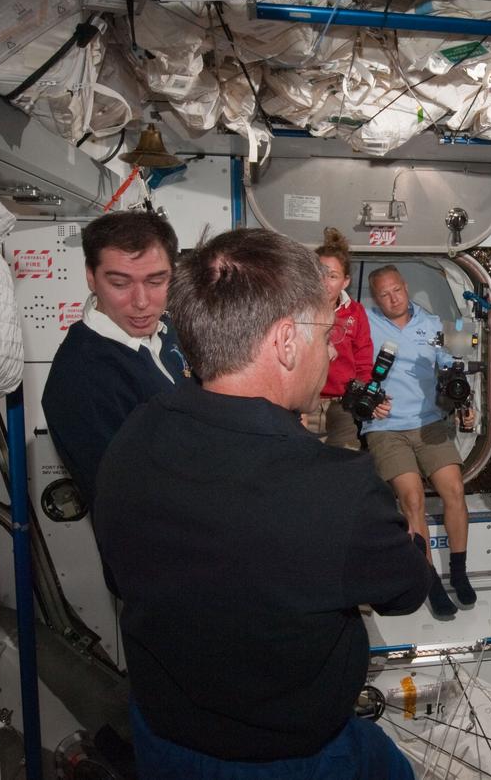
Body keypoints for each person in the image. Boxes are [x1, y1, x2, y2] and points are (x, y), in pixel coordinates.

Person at [95, 229, 429, 780]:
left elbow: (119, 574)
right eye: (326, 334)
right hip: (293, 760)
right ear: (287, 341)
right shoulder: (336, 489)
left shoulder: (133, 436)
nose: (330, 352)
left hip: (162, 740)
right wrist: (414, 535)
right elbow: (406, 590)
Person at [41, 211, 188, 513]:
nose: (141, 302)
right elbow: (127, 501)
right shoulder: (80, 378)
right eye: (120, 284)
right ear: (91, 277)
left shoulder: (168, 332)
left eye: (156, 281)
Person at [364, 265, 477, 619]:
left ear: (406, 287)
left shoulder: (433, 324)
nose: (392, 298)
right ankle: (430, 582)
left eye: (396, 290)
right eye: (384, 294)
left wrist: (466, 406)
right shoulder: (365, 323)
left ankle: (458, 571)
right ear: (375, 298)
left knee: (454, 489)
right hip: (385, 427)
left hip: (429, 422)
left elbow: (455, 370)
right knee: (411, 499)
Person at [302, 227, 372, 449]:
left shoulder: (356, 312)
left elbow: (363, 361)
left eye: (333, 276)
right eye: (320, 274)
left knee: (347, 457)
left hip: (341, 405)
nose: (325, 282)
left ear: (345, 281)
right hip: (304, 403)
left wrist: (361, 395)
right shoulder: (297, 309)